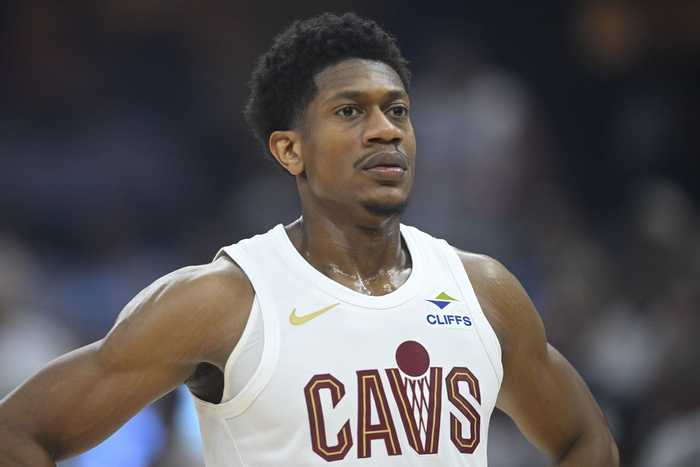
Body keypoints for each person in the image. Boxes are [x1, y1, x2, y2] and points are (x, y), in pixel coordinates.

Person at [0, 12, 618, 467]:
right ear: (290, 150)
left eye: (397, 110)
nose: (385, 130)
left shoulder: (482, 290)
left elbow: (586, 441)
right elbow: (18, 434)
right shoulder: (222, 301)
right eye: (350, 111)